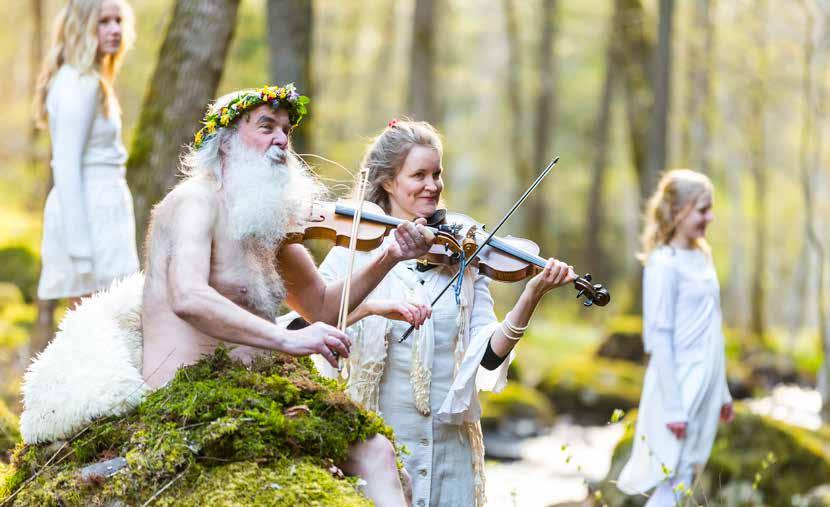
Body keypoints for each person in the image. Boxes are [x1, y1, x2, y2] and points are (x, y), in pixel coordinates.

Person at [22, 86, 436, 507]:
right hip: (192, 397)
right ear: (226, 140)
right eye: (265, 127)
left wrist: (389, 255)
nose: (280, 139)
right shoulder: (191, 202)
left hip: (266, 389)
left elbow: (323, 308)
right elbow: (188, 296)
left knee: (378, 451)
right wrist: (287, 339)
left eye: (286, 131)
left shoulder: (270, 222)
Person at [307, 120, 576, 507]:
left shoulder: (464, 256)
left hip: (450, 454)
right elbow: (310, 327)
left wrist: (531, 295)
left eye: (437, 173)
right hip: (379, 451)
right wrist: (371, 306)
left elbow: (486, 358)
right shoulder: (355, 250)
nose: (433, 185)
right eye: (419, 175)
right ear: (387, 182)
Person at [617, 169, 734, 506]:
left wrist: (722, 391)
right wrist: (673, 407)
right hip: (678, 386)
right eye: (702, 209)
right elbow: (658, 338)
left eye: (709, 208)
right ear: (678, 211)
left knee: (688, 476)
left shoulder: (702, 255)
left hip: (706, 384)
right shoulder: (663, 264)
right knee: (674, 476)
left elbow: (713, 327)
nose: (710, 217)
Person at [34, 0, 140, 306]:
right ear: (81, 26)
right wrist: (80, 251)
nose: (114, 29)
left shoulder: (94, 80)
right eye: (103, 21)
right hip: (90, 216)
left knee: (108, 322)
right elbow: (66, 165)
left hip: (105, 208)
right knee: (94, 324)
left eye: (118, 20)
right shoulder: (77, 83)